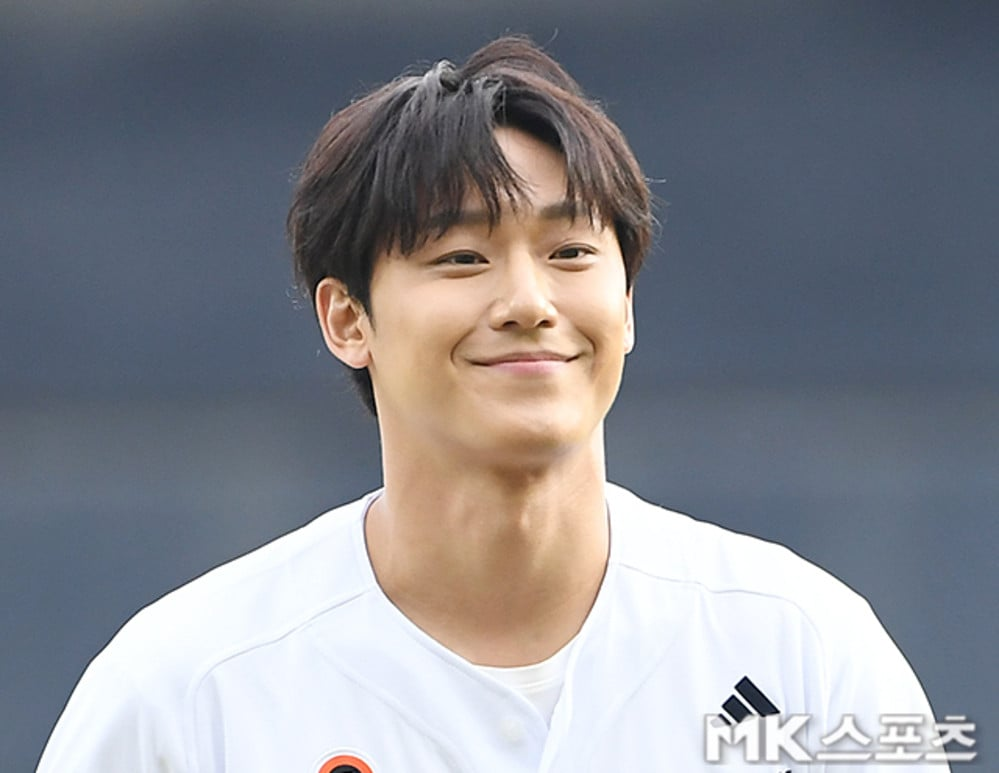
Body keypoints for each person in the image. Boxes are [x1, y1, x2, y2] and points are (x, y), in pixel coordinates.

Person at [39, 36, 953, 772]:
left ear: (626, 304)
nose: (527, 301)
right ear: (347, 318)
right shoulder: (189, 687)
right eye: (462, 258)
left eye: (570, 253)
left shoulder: (802, 646)